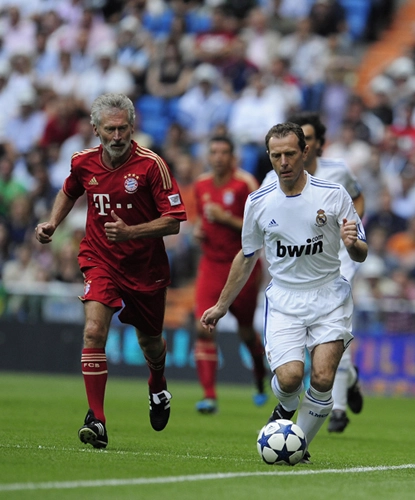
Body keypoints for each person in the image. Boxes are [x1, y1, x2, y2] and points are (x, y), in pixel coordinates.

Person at [201, 122, 368, 462]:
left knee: (322, 377)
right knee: (291, 379)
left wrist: (352, 245)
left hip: (329, 295)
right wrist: (221, 305)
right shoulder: (259, 202)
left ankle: (296, 445)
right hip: (285, 300)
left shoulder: (333, 194)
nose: (284, 162)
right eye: (276, 155)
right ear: (269, 157)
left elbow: (361, 250)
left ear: (305, 152)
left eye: (290, 153)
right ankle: (285, 408)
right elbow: (246, 257)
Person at [35, 93, 187, 449]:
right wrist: (52, 223)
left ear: (132, 128)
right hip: (99, 258)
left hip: (145, 267)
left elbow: (175, 222)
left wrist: (132, 232)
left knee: (151, 343)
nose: (117, 136)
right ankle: (97, 420)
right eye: (110, 130)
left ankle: (157, 383)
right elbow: (69, 191)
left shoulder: (152, 166)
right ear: (96, 130)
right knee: (92, 332)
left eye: (123, 129)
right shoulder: (82, 162)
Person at [261, 112, 365, 432]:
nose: (289, 156)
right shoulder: (270, 184)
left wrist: (347, 228)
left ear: (314, 144)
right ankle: (340, 385)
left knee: (332, 342)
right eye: (280, 152)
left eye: (303, 141)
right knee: (293, 369)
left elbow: (358, 199)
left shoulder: (338, 173)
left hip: (336, 258)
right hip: (296, 269)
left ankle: (339, 410)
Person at [193, 135, 267, 414]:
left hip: (242, 267)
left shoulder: (245, 184)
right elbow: (201, 220)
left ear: (233, 157)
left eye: (224, 152)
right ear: (209, 156)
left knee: (246, 331)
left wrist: (226, 219)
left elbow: (261, 228)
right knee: (202, 327)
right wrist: (199, 230)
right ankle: (209, 395)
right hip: (211, 265)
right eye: (214, 151)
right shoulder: (201, 185)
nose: (219, 157)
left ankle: (260, 377)